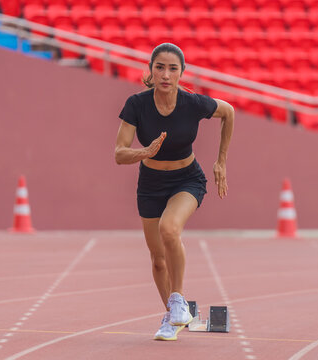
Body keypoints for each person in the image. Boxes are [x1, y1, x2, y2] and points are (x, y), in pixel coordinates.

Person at [114, 43, 234, 341]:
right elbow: (119, 153)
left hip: (187, 179)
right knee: (157, 259)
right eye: (160, 67)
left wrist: (221, 162)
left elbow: (229, 112)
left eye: (172, 68)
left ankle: (178, 300)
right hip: (151, 184)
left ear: (182, 73)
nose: (165, 74)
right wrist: (144, 152)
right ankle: (171, 317)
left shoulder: (193, 103)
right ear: (151, 70)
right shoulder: (136, 105)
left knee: (170, 230)